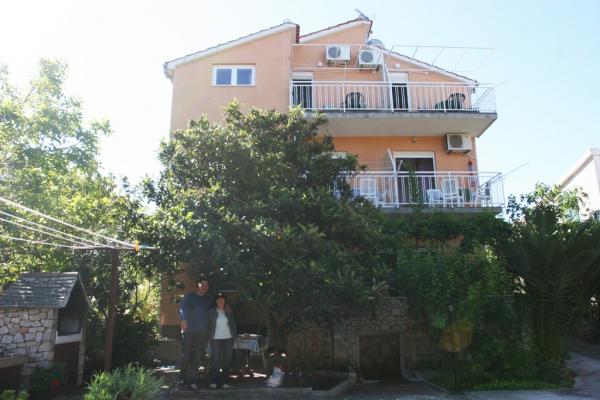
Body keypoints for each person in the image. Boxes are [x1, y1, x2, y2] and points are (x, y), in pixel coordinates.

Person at [179, 277, 213, 390]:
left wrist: (226, 306)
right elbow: (182, 308)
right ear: (197, 285)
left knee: (197, 356)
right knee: (186, 355)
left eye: (206, 285)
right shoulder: (190, 296)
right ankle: (182, 377)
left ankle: (192, 380)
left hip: (202, 332)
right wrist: (183, 319)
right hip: (188, 330)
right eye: (202, 284)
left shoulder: (208, 300)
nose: (204, 286)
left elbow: (215, 309)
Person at [207, 293, 237, 389]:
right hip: (215, 339)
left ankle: (224, 382)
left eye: (222, 299)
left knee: (227, 361)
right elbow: (208, 325)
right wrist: (208, 338)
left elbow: (233, 324)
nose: (220, 301)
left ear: (225, 301)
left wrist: (235, 337)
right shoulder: (211, 311)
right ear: (216, 301)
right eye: (218, 299)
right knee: (215, 360)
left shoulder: (229, 310)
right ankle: (214, 381)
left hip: (228, 338)